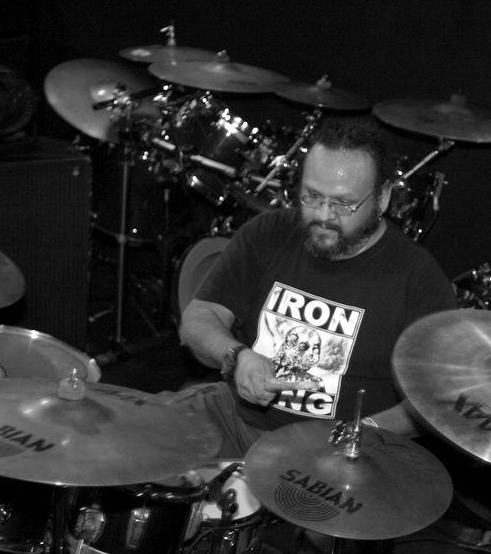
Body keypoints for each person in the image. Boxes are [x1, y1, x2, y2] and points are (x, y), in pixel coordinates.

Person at [175, 116, 457, 458]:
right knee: (139, 433)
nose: (324, 215)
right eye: (312, 196)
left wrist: (359, 433)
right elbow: (199, 317)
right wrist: (236, 356)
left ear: (382, 198)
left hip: (333, 454)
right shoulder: (268, 233)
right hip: (237, 419)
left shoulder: (418, 277)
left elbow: (435, 399)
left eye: (343, 203)